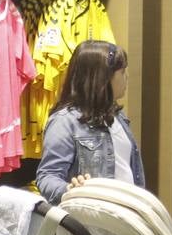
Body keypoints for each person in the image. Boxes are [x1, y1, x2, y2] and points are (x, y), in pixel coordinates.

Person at [36, 40, 144, 204]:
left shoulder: (117, 115)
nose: (126, 77)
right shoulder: (64, 122)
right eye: (122, 72)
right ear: (103, 78)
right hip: (90, 222)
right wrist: (69, 190)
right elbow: (48, 176)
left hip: (125, 218)